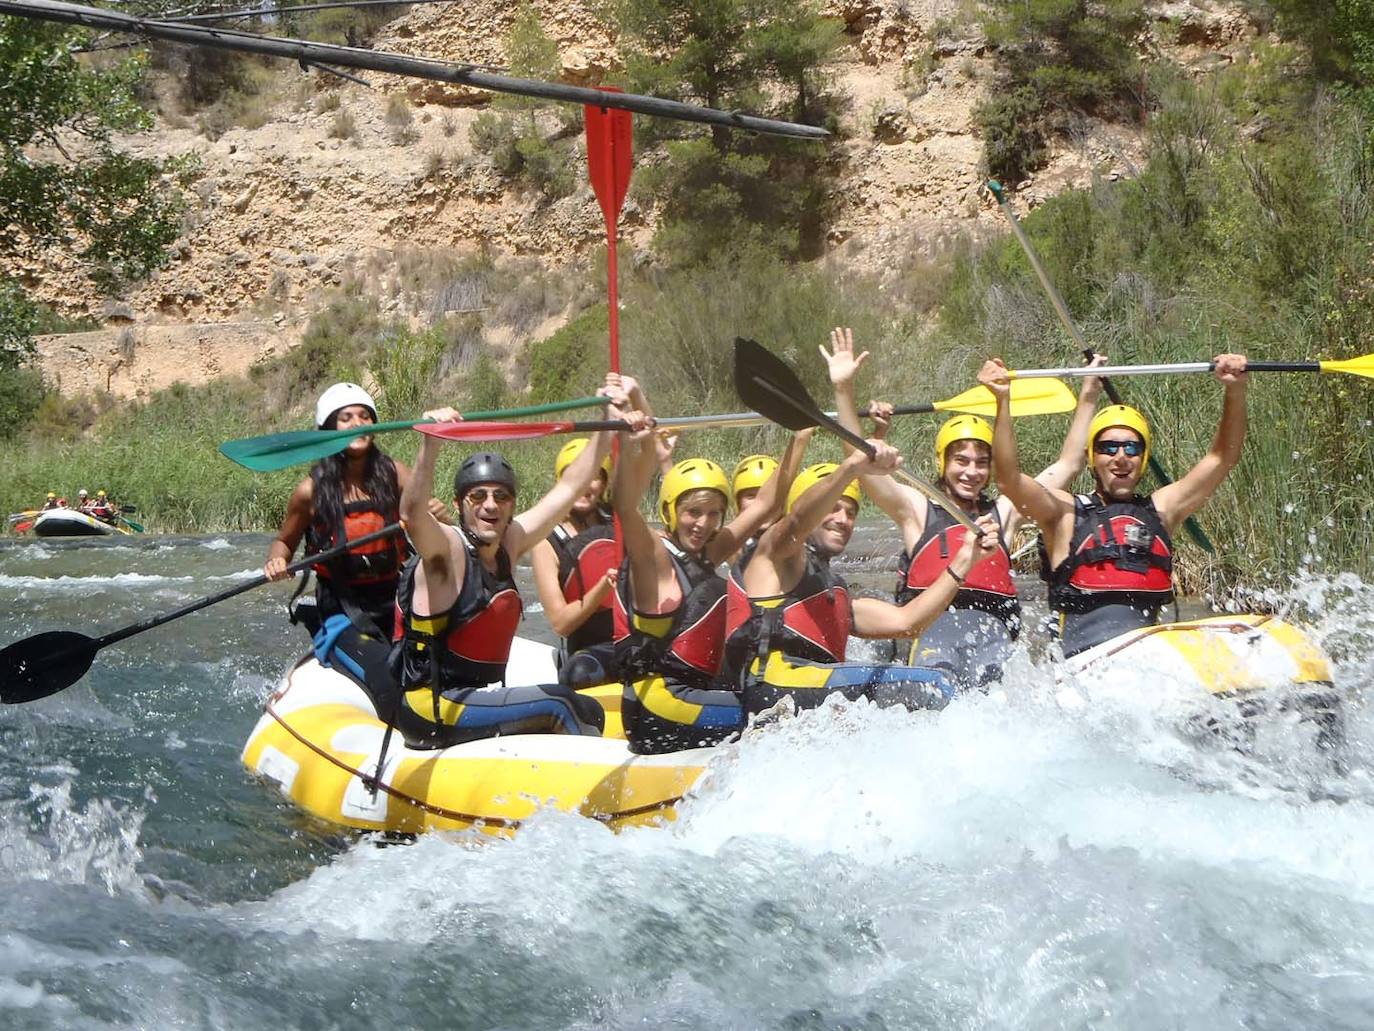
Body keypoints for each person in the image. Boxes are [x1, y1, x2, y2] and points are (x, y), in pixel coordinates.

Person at [824, 326, 1105, 689]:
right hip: (931, 639)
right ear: (942, 462)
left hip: (993, 640)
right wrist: (844, 391)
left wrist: (1089, 394)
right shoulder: (917, 510)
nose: (971, 471)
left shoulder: (1004, 514)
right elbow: (861, 463)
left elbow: (1068, 464)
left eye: (981, 462)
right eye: (961, 460)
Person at [390, 382, 643, 749]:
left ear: (511, 505)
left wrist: (606, 423)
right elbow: (412, 515)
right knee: (561, 704)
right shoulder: (447, 549)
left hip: (470, 699)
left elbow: (569, 487)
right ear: (460, 503)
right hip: (431, 708)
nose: (490, 505)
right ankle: (592, 804)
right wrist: (431, 444)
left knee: (588, 707)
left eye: (501, 496)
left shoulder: (510, 541)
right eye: (478, 496)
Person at [979, 353, 1249, 658]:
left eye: (1131, 448)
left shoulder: (1162, 510)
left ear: (1142, 458)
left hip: (1147, 666)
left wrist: (1235, 390)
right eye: (1109, 448)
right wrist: (1003, 402)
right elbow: (1008, 481)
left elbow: (1221, 458)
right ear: (1094, 458)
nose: (1121, 457)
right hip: (1081, 671)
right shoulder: (1064, 514)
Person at [610, 376, 807, 754]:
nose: (703, 524)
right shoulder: (651, 555)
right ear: (671, 511)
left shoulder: (707, 552)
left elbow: (768, 503)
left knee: (778, 703)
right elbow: (624, 504)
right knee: (781, 713)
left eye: (714, 513)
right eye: (693, 513)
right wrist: (633, 439)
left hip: (690, 698)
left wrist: (799, 435)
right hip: (656, 707)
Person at [725, 457, 999, 718]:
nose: (843, 519)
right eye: (834, 507)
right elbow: (798, 520)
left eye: (851, 511)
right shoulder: (778, 557)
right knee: (933, 685)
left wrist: (965, 560)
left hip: (806, 691)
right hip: (776, 685)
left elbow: (908, 622)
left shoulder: (835, 593)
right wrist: (850, 468)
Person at [264, 383, 430, 701]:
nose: (357, 423)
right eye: (346, 417)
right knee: (388, 679)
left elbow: (435, 529)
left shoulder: (396, 474)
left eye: (365, 416)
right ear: (328, 429)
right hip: (342, 609)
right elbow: (284, 542)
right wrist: (277, 560)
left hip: (396, 601)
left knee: (428, 668)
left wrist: (434, 513)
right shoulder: (309, 492)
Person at [530, 437, 619, 687]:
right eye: (576, 476)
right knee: (579, 674)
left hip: (629, 641)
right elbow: (561, 623)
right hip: (588, 651)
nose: (585, 485)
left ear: (602, 484)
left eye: (593, 476)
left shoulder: (617, 520)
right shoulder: (546, 542)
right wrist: (602, 589)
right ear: (562, 482)